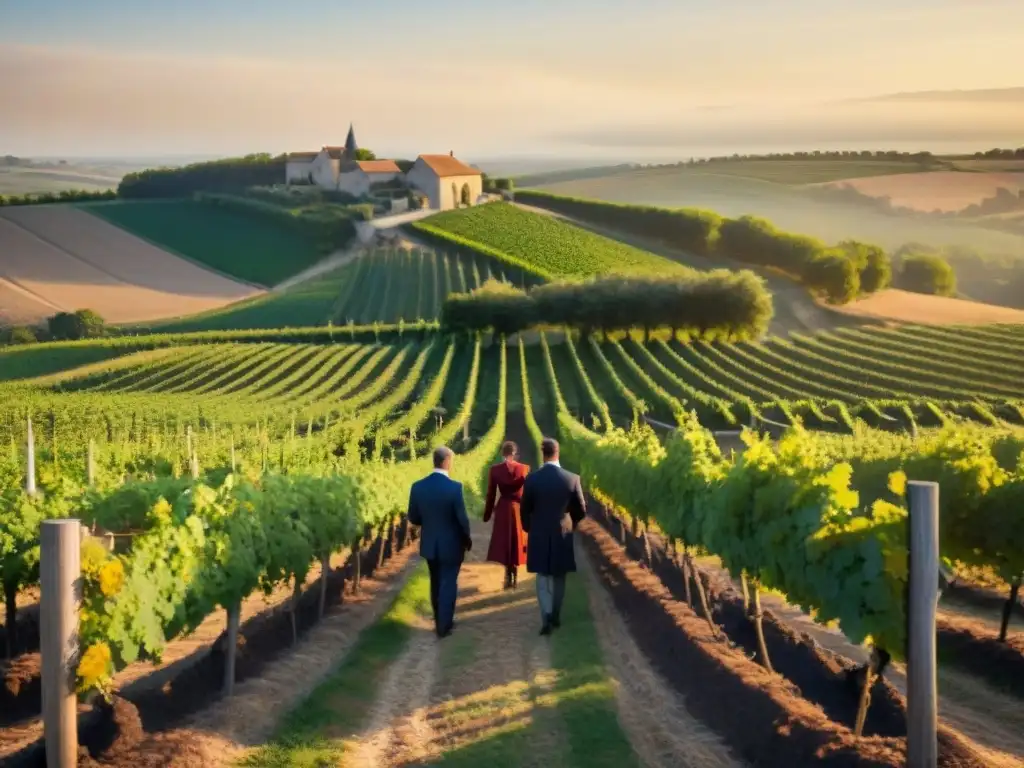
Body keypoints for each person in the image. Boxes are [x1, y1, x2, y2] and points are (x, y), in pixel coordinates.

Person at [521, 437, 586, 636]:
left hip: (539, 531)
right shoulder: (571, 478)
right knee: (559, 576)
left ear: (543, 453)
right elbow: (581, 509)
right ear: (557, 452)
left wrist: (528, 528)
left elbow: (525, 509)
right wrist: (571, 521)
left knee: (542, 576)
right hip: (561, 532)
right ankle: (555, 615)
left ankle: (546, 615)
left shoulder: (532, 479)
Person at [407, 446, 472, 638]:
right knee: (449, 582)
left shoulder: (418, 486)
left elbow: (413, 517)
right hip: (451, 544)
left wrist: (428, 522)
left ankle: (438, 621)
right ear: (447, 462)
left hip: (430, 543)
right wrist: (466, 539)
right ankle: (444, 625)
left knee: (435, 582)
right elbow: (462, 519)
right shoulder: (454, 488)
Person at [483, 441, 529, 590]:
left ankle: (507, 575)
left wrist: (487, 514)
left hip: (503, 507)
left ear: (503, 454)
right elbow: (527, 494)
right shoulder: (524, 469)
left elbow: (491, 494)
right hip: (518, 508)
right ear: (515, 454)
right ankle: (514, 576)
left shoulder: (495, 470)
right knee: (516, 542)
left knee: (505, 543)